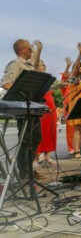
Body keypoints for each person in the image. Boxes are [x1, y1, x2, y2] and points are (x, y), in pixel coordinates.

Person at [1, 39, 44, 179]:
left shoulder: (29, 65)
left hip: (32, 107)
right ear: (21, 51)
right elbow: (5, 83)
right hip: (22, 107)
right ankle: (23, 171)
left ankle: (28, 169)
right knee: (26, 139)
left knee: (36, 138)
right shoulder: (15, 64)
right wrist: (22, 94)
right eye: (29, 49)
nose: (31, 50)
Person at [34, 60, 58, 166]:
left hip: (50, 111)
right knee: (38, 135)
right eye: (41, 66)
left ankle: (47, 157)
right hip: (40, 110)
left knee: (49, 134)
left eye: (44, 66)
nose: (43, 68)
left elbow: (49, 90)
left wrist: (58, 86)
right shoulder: (34, 80)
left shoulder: (47, 80)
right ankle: (35, 158)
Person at [60, 57, 74, 155]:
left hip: (76, 106)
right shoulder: (65, 86)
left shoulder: (74, 85)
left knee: (77, 128)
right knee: (70, 128)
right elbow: (64, 76)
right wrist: (68, 66)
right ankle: (71, 148)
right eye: (68, 76)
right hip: (68, 107)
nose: (69, 78)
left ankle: (77, 146)